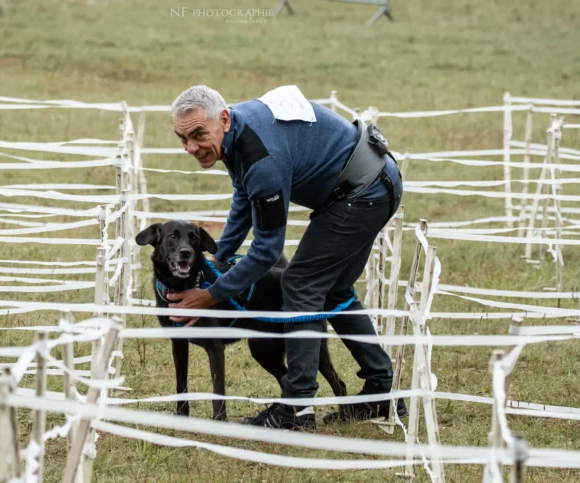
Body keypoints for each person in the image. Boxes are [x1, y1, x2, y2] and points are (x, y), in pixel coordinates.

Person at [165, 85, 405, 430]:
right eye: (182, 138)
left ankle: (296, 407)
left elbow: (265, 251)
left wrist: (210, 295)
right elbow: (243, 198)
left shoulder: (263, 160)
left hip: (364, 191)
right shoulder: (238, 135)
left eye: (198, 135)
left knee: (301, 283)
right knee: (334, 290)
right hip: (371, 180)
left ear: (224, 119)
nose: (190, 147)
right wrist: (217, 259)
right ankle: (381, 392)